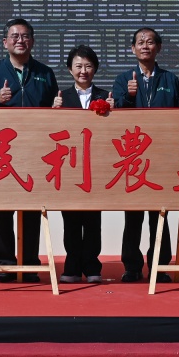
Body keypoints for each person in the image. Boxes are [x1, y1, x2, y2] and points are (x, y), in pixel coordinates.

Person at [0, 18, 59, 283]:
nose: (20, 40)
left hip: (35, 149)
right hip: (3, 151)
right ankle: (4, 265)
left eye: (25, 36)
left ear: (32, 41)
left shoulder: (45, 72)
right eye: (14, 36)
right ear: (5, 42)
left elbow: (53, 108)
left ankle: (29, 263)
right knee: (2, 209)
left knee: (34, 209)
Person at [111, 27, 179, 283]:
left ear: (158, 48)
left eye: (150, 42)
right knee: (133, 215)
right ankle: (131, 266)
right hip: (133, 155)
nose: (145, 46)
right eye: (140, 42)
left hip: (162, 155)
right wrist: (129, 97)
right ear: (133, 49)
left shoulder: (170, 79)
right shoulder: (122, 79)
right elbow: (115, 113)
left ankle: (159, 266)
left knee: (160, 215)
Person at [52, 45, 111, 284]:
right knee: (71, 220)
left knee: (93, 220)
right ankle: (72, 266)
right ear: (70, 69)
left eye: (88, 66)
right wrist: (53, 112)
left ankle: (92, 265)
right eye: (78, 66)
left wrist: (114, 113)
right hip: (69, 166)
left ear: (95, 68)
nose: (83, 71)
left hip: (95, 167)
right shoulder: (61, 97)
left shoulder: (105, 96)